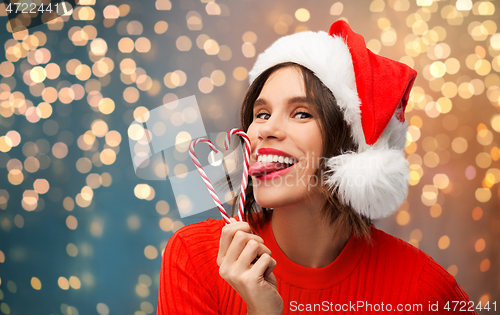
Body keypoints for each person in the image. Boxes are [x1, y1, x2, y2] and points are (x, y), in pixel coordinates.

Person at [157, 20, 476, 314]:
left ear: (352, 148)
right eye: (262, 114)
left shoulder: (424, 290)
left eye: (301, 113)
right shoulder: (196, 258)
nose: (265, 129)